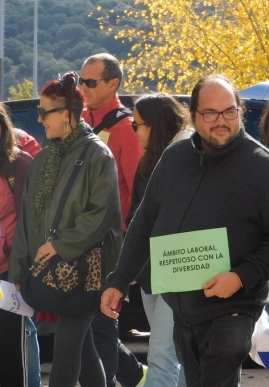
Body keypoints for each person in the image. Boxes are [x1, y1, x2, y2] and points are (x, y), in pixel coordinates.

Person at [101, 74, 269, 387]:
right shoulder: (174, 158)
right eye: (210, 113)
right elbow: (144, 222)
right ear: (194, 115)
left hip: (235, 307)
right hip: (184, 308)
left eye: (229, 112)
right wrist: (120, 279)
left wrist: (240, 277)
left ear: (240, 112)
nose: (221, 121)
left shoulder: (262, 166)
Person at [9, 72, 123, 387]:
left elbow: (102, 215)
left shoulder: (98, 154)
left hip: (87, 273)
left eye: (47, 112)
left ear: (69, 115)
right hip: (49, 273)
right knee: (82, 348)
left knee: (66, 351)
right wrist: (19, 270)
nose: (41, 118)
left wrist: (61, 245)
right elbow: (28, 220)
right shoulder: (44, 158)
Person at [80, 52, 146, 387]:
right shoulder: (80, 122)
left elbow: (138, 192)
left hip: (111, 242)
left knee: (102, 323)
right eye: (81, 80)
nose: (83, 88)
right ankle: (134, 374)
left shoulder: (125, 128)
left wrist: (131, 253)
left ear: (113, 84)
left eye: (90, 82)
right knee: (87, 322)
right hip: (79, 241)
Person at [128, 94, 192, 387]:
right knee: (175, 355)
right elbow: (137, 218)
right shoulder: (148, 161)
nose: (135, 131)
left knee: (161, 356)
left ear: (154, 125)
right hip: (149, 272)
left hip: (179, 268)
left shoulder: (189, 155)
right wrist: (130, 264)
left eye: (136, 125)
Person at [0, 105, 35, 386]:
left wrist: (25, 267)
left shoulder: (19, 164)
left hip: (9, 277)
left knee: (11, 349)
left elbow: (35, 218)